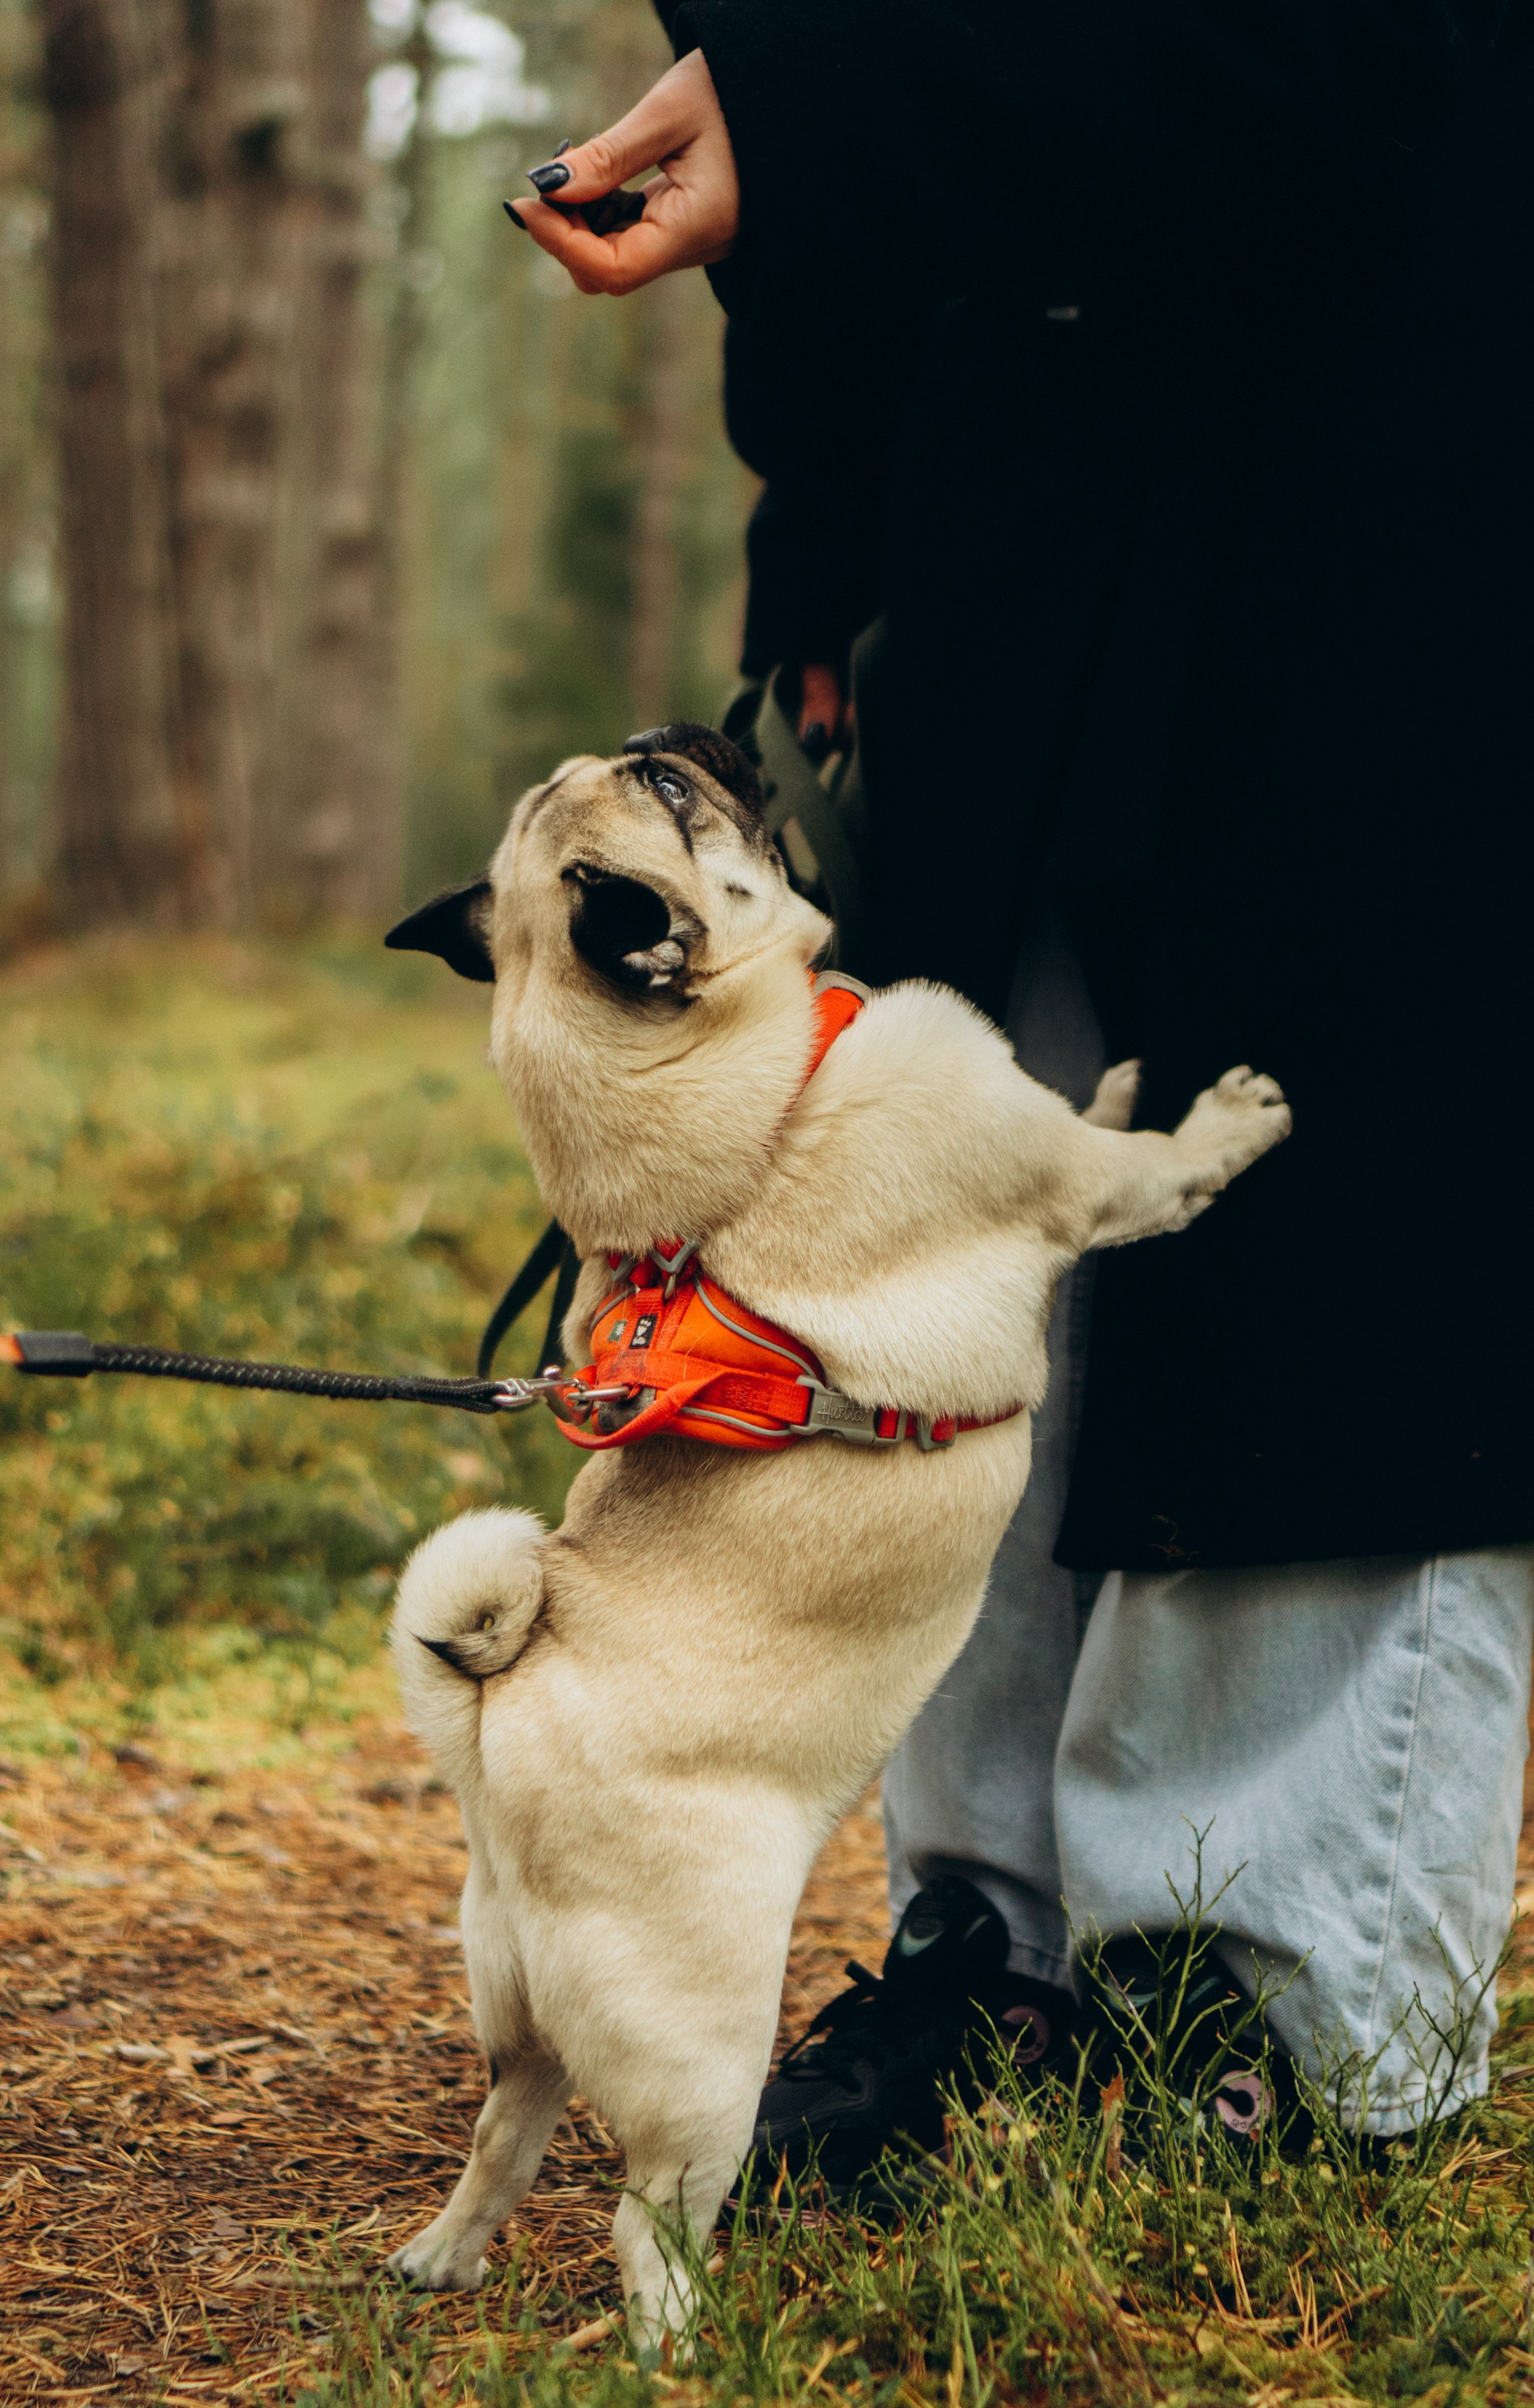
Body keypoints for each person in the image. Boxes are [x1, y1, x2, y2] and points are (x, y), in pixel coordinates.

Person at [503, 4, 1534, 2163]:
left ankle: (1272, 2007)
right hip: (1003, 494)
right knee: (954, 1209)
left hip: (1407, 451)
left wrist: (821, 109)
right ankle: (1001, 1950)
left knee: (1319, 1206)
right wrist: (827, 543)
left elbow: (1367, 65)